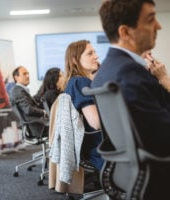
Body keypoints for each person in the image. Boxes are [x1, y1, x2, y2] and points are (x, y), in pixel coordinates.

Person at [92, 0, 169, 199]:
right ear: (125, 32)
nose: (158, 26)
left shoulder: (106, 71)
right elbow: (162, 136)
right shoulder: (128, 72)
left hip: (130, 173)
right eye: (151, 19)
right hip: (159, 172)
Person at [63, 40, 103, 171]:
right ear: (75, 60)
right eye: (90, 53)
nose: (96, 56)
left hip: (91, 146)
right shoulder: (80, 82)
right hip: (99, 148)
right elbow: (96, 123)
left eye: (95, 52)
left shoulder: (74, 82)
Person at [9, 66, 48, 137]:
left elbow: (34, 100)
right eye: (24, 74)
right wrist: (44, 112)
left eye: (28, 73)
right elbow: (28, 109)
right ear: (16, 77)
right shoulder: (17, 91)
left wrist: (44, 86)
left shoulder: (20, 90)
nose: (27, 76)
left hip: (37, 125)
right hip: (37, 127)